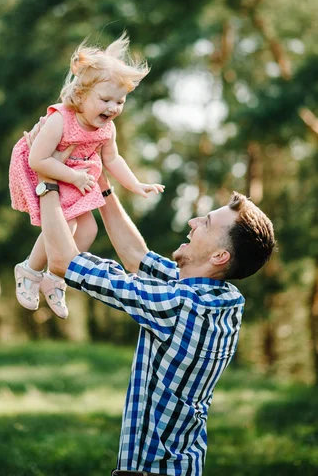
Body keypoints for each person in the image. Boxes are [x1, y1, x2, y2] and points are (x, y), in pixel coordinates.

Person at [34, 152, 276, 476]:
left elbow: (64, 262)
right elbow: (136, 256)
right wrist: (101, 182)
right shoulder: (221, 298)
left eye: (204, 223)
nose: (192, 222)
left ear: (219, 255)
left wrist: (46, 183)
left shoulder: (181, 305)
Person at [8, 33, 164, 319]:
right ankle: (29, 269)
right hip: (49, 170)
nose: (113, 108)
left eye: (120, 101)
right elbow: (38, 159)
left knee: (89, 230)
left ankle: (55, 278)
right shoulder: (61, 119)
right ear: (81, 94)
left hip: (76, 178)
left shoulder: (106, 130)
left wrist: (135, 184)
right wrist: (73, 176)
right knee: (62, 225)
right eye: (105, 99)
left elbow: (112, 159)